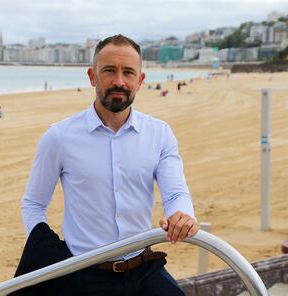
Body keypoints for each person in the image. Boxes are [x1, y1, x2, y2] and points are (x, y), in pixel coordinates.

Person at [12, 34, 198, 296]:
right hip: (85, 273)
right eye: (109, 71)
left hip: (144, 268)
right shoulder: (59, 137)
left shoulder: (160, 134)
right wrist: (51, 253)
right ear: (92, 76)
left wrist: (182, 214)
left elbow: (176, 193)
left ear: (140, 80)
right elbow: (33, 204)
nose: (119, 81)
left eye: (128, 72)